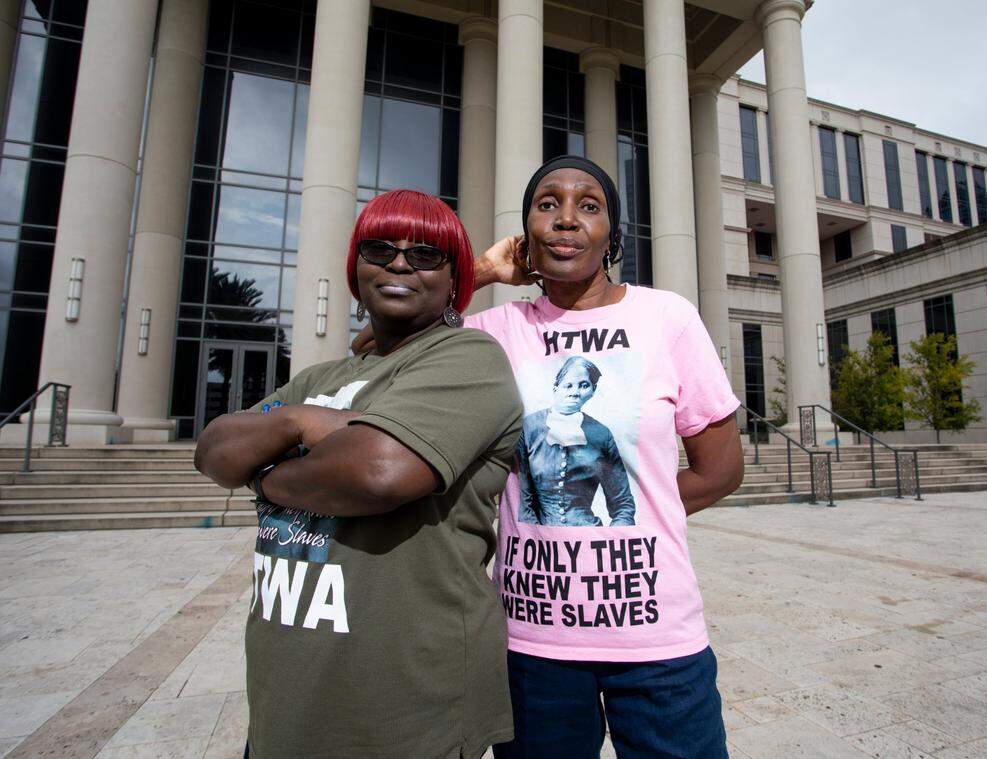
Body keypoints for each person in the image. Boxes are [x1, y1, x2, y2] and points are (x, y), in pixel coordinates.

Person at [355, 156, 745, 758]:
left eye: (589, 205)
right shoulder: (490, 332)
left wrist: (636, 511)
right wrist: (477, 273)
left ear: (612, 235)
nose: (567, 219)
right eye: (547, 204)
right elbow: (375, 348)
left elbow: (721, 471)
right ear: (526, 235)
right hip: (531, 644)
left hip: (657, 639)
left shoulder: (666, 317)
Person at [195, 189, 523, 758]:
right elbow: (215, 451)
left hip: (407, 715)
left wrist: (269, 464)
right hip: (284, 709)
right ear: (356, 267)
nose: (399, 263)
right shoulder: (319, 378)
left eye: (425, 254)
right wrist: (306, 419)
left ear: (455, 281)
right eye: (381, 248)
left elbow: (380, 473)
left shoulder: (470, 358)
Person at [517, 354, 636, 526]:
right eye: (568, 385)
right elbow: (522, 499)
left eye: (584, 385)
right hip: (541, 542)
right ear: (556, 387)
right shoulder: (529, 427)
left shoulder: (601, 434)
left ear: (593, 390)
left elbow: (623, 505)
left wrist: (612, 537)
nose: (575, 392)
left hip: (590, 537)